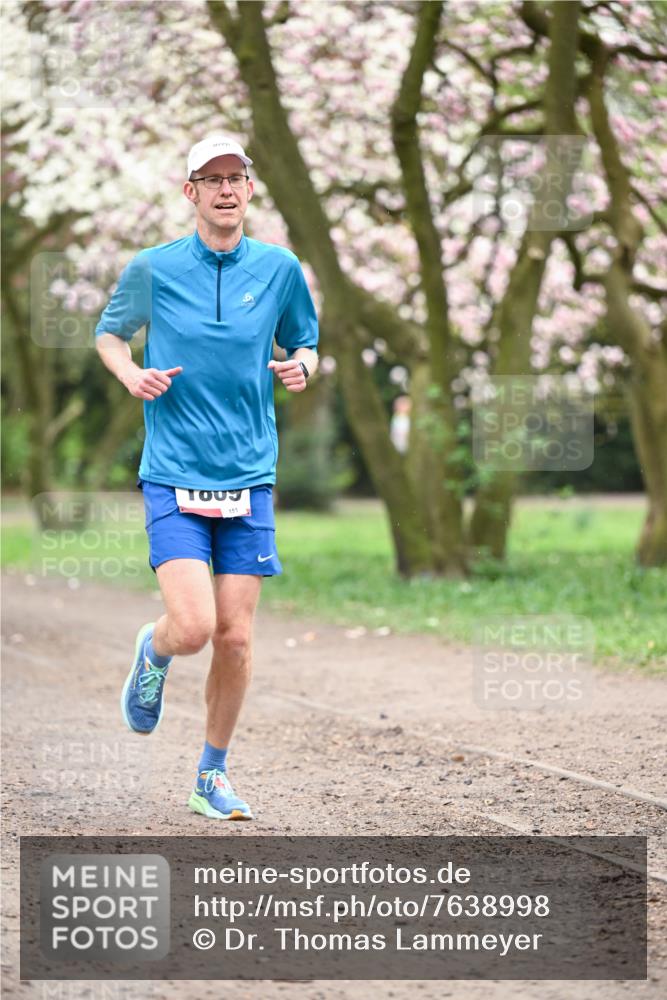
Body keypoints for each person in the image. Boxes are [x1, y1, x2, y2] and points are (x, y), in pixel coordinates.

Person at [95, 135, 319, 821]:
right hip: (174, 471)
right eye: (210, 179)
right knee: (192, 628)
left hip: (248, 473)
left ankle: (210, 775)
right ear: (189, 192)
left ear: (250, 190)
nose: (226, 189)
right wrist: (131, 372)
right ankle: (153, 648)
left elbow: (304, 341)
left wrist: (303, 365)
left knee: (236, 636)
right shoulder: (153, 268)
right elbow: (109, 334)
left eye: (236, 177)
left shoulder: (280, 269)